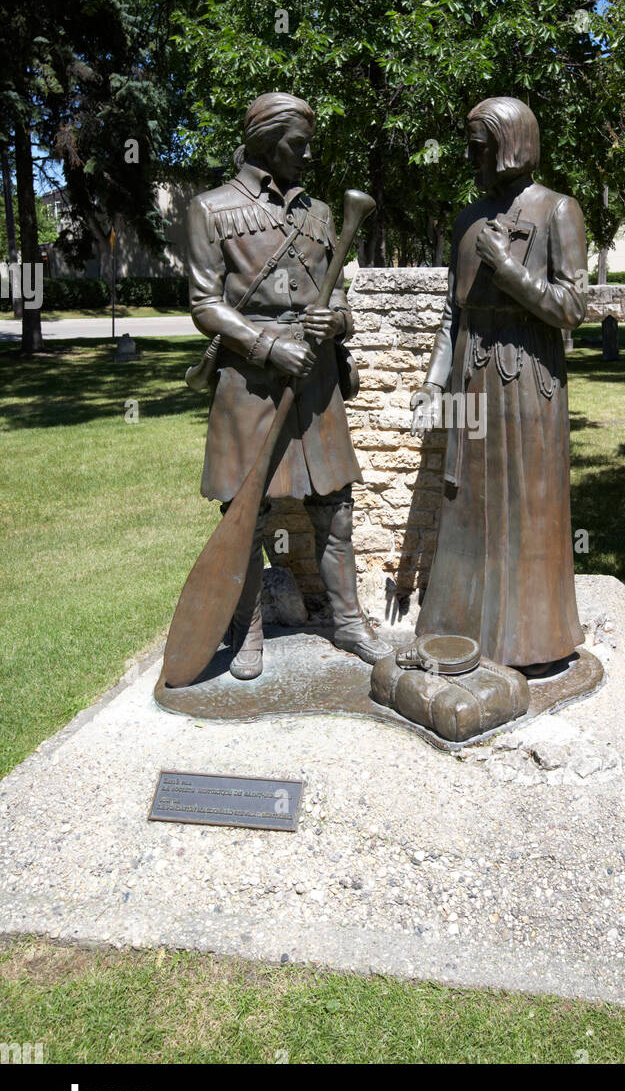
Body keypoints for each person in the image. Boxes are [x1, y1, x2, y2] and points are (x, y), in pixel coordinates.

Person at [186, 92, 389, 679]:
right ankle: (246, 631)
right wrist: (269, 346)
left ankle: (348, 623)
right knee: (243, 512)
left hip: (317, 377)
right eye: (298, 144)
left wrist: (338, 318)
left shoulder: (321, 213)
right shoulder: (211, 208)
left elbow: (338, 290)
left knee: (336, 506)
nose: (307, 154)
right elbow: (204, 306)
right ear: (266, 141)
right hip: (250, 379)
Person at [410, 96, 587, 673]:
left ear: (509, 147)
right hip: (470, 373)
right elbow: (451, 313)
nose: (471, 158)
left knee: (525, 505)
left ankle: (530, 638)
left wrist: (508, 271)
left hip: (528, 378)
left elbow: (572, 306)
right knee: (466, 505)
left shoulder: (558, 210)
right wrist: (435, 383)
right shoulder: (466, 218)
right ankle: (456, 631)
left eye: (479, 148)